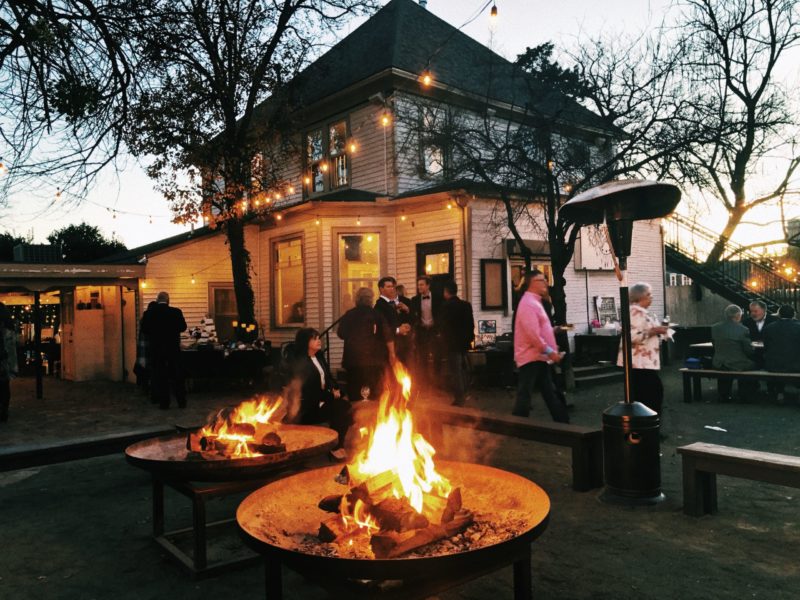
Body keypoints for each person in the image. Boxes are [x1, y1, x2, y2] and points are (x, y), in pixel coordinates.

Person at [512, 269, 569, 422]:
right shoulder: (529, 304)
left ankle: (562, 422)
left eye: (545, 279)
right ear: (531, 283)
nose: (545, 283)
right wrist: (551, 352)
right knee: (528, 393)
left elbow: (538, 331)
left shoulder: (534, 302)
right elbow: (533, 336)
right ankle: (519, 424)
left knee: (546, 391)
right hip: (531, 356)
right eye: (541, 280)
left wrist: (553, 330)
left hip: (538, 356)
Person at [288, 328, 352, 447]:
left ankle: (336, 443)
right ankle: (335, 446)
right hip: (307, 407)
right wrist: (331, 396)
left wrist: (335, 388)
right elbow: (308, 391)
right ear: (305, 342)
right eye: (314, 339)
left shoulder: (319, 357)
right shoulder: (301, 363)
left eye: (318, 338)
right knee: (341, 408)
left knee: (345, 407)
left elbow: (328, 377)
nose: (319, 341)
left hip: (322, 399)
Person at [617, 282, 669, 414]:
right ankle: (649, 430)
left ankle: (649, 430)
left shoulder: (644, 313)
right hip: (639, 363)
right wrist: (653, 331)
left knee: (649, 396)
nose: (651, 297)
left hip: (646, 362)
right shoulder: (634, 313)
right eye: (648, 294)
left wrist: (661, 331)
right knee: (652, 396)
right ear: (639, 297)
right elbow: (630, 337)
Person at [337, 287, 394, 402]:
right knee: (374, 393)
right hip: (374, 361)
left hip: (353, 361)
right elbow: (387, 335)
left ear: (357, 299)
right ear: (371, 300)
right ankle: (373, 417)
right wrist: (392, 354)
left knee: (354, 393)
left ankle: (356, 417)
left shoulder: (349, 314)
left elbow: (341, 333)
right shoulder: (377, 315)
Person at [140, 291, 188, 409]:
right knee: (177, 376)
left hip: (156, 350)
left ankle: (164, 403)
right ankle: (181, 401)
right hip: (173, 349)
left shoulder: (149, 314)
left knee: (160, 377)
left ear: (157, 300)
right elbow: (183, 327)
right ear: (168, 300)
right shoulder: (176, 312)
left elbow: (144, 330)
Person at [438, 280, 474, 406]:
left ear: (446, 292)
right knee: (464, 368)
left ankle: (459, 397)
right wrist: (469, 339)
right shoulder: (466, 305)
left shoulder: (446, 306)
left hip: (452, 343)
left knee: (456, 370)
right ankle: (466, 392)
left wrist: (443, 341)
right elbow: (471, 324)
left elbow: (444, 326)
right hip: (464, 342)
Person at [711, 304, 756, 402]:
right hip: (737, 363)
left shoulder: (715, 328)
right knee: (753, 364)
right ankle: (744, 394)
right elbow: (748, 351)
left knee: (727, 364)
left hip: (719, 363)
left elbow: (714, 345)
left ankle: (724, 394)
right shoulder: (743, 330)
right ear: (738, 316)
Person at [762, 304, 800, 402]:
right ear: (793, 315)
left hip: (773, 365)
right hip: (796, 365)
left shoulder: (769, 327)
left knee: (780, 359)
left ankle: (780, 392)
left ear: (778, 314)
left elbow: (766, 347)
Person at [410, 275, 441, 385]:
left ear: (428, 285)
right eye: (418, 285)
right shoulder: (414, 300)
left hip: (434, 331)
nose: (419, 287)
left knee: (437, 356)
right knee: (422, 357)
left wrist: (439, 330)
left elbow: (441, 315)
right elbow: (413, 316)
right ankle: (424, 382)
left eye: (422, 284)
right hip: (422, 331)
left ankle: (437, 381)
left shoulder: (438, 298)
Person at [374, 276, 412, 364]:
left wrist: (407, 313)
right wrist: (398, 330)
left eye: (392, 286)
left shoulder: (399, 303)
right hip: (389, 348)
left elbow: (406, 319)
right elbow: (381, 329)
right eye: (388, 287)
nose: (392, 289)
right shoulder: (379, 306)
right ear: (381, 289)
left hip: (403, 345)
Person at [0, 302, 19, 423]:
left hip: (3, 361)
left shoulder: (6, 332)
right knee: (4, 388)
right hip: (4, 362)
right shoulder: (9, 331)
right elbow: (12, 349)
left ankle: (3, 412)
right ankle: (3, 412)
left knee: (3, 388)